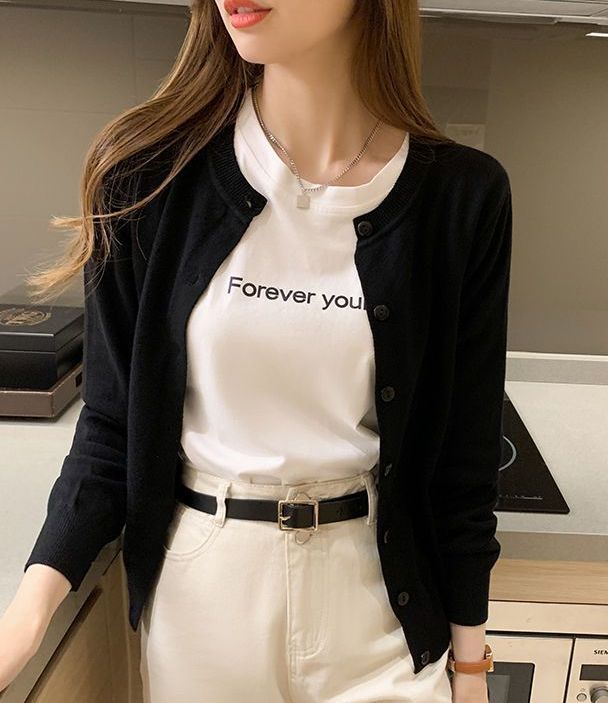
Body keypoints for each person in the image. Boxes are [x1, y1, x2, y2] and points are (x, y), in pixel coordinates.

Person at [0, 1, 513, 701]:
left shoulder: (463, 197)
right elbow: (111, 429)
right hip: (205, 604)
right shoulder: (147, 175)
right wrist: (26, 615)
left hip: (378, 604)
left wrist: (471, 667)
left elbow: (463, 460)